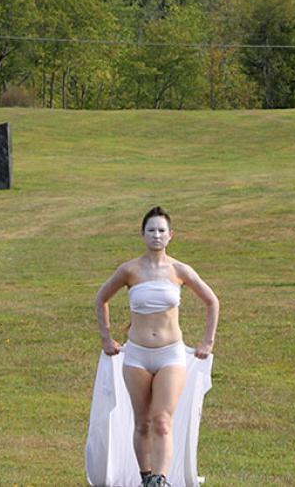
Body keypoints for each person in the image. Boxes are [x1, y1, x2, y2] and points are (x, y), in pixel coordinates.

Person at [90, 207, 219, 487]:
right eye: (151, 230)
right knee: (143, 422)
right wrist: (106, 337)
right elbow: (101, 299)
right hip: (136, 355)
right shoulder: (130, 270)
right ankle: (146, 476)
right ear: (142, 234)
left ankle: (161, 480)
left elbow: (212, 301)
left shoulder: (179, 270)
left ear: (171, 235)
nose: (156, 235)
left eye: (162, 230)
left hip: (170, 354)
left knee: (162, 420)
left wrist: (207, 341)